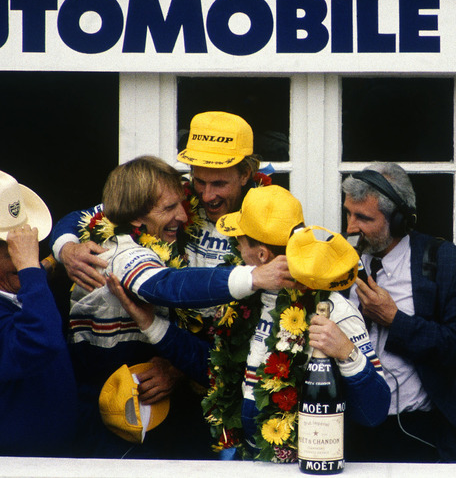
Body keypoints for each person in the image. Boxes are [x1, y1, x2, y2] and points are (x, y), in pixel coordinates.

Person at [110, 186, 390, 461]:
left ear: (261, 255)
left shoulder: (334, 311)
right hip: (247, 463)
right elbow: (215, 370)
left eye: (239, 240)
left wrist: (346, 353)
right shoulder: (245, 301)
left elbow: (374, 413)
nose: (234, 246)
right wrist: (150, 323)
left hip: (308, 466)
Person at [68, 156, 294, 458]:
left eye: (181, 205)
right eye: (169, 208)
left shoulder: (158, 247)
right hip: (108, 429)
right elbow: (164, 286)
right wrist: (253, 276)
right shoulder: (117, 251)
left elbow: (209, 362)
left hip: (151, 420)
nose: (184, 217)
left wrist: (174, 367)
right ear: (136, 218)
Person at [342, 162, 456, 463]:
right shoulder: (339, 261)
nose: (350, 227)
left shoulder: (449, 264)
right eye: (348, 213)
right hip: (347, 428)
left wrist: (395, 321)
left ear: (397, 220)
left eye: (363, 218)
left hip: (416, 430)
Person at [51, 110, 270, 292]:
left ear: (245, 174)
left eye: (219, 184)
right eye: (200, 181)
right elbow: (80, 217)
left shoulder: (271, 215)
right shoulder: (178, 199)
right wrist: (67, 250)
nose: (207, 195)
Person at [0, 171, 77, 456]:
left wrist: (62, 256)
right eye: (14, 250)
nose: (23, 259)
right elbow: (41, 340)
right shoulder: (28, 282)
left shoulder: (23, 291)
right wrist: (30, 268)